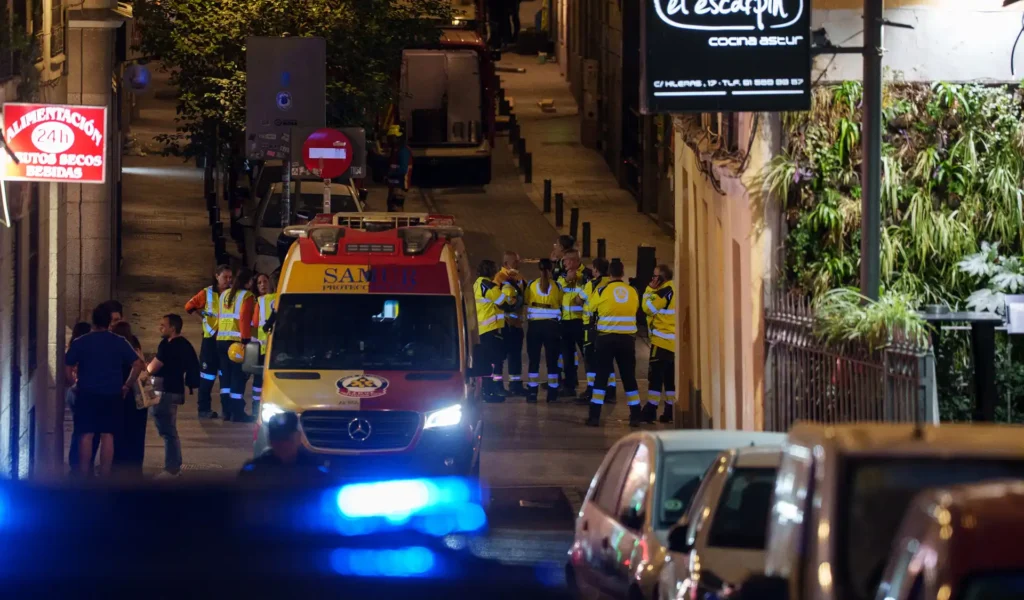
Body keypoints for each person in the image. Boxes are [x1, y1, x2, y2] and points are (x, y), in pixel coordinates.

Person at [64, 304, 146, 476]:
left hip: (87, 394)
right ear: (109, 322)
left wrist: (74, 383)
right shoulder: (119, 342)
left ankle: (84, 473)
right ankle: (105, 473)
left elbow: (68, 365)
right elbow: (137, 363)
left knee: (86, 434)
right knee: (108, 435)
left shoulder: (81, 342)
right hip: (112, 394)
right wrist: (127, 385)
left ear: (93, 322)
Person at [586, 261, 641, 427]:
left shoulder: (602, 290)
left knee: (601, 377)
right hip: (627, 340)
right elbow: (636, 309)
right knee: (629, 377)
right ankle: (635, 415)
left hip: (606, 339)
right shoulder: (632, 291)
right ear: (622, 273)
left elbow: (590, 308)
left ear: (609, 273)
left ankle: (594, 416)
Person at [146, 314, 201, 477]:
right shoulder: (184, 344)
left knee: (168, 431)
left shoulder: (168, 346)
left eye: (163, 325)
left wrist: (145, 368)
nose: (160, 328)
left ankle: (172, 468)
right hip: (175, 391)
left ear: (173, 328)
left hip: (165, 392)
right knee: (169, 430)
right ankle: (174, 467)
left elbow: (152, 368)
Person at [185, 265, 232, 419]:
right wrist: (203, 321)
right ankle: (204, 409)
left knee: (226, 377)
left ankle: (227, 410)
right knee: (207, 377)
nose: (228, 280)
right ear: (217, 276)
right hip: (210, 341)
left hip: (226, 340)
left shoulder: (234, 294)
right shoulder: (207, 293)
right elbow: (189, 307)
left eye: (230, 278)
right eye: (225, 277)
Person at [473, 259, 517, 401]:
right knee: (492, 361)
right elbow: (504, 303)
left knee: (487, 361)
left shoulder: (477, 284)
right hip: (490, 329)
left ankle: (488, 391)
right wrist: (507, 287)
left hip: (481, 329)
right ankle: (489, 392)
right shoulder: (489, 286)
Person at [217, 267, 257, 422]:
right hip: (236, 343)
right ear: (248, 282)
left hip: (221, 341)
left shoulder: (224, 295)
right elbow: (244, 319)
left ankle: (226, 411)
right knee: (237, 378)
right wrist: (246, 340)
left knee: (225, 379)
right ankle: (237, 413)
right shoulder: (247, 295)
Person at [239, 412, 325, 478]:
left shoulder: (314, 469)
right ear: (271, 441)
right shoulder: (255, 471)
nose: (283, 444)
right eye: (277, 439)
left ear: (298, 437)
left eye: (287, 439)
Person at [642, 264, 677, 424]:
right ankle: (669, 410)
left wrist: (648, 290)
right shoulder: (675, 288)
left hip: (661, 343)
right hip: (673, 345)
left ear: (662, 278)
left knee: (655, 377)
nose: (652, 279)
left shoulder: (664, 291)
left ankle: (651, 409)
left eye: (655, 276)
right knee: (670, 379)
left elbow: (648, 308)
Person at [524, 259, 563, 403]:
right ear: (552, 268)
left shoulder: (531, 285)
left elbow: (527, 300)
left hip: (535, 327)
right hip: (552, 327)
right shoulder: (557, 286)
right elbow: (560, 302)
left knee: (533, 360)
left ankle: (532, 392)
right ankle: (552, 393)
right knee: (552, 361)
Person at [112, 321, 147, 474]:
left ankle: (118, 466)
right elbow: (142, 364)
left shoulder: (115, 348)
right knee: (137, 435)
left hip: (120, 395)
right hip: (138, 397)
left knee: (118, 433)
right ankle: (135, 467)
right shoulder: (134, 344)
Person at [67, 322, 98, 473]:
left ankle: (75, 463)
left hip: (74, 391)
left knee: (79, 429)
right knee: (88, 431)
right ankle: (84, 465)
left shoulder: (73, 346)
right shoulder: (83, 347)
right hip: (82, 390)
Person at [556, 249, 587, 398]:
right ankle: (569, 386)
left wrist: (578, 278)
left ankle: (592, 387)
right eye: (563, 261)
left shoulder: (586, 275)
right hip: (566, 322)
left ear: (575, 261)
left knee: (587, 356)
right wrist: (566, 279)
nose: (564, 263)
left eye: (567, 260)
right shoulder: (562, 276)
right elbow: (557, 291)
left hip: (581, 321)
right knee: (567, 356)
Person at [579, 257, 610, 404]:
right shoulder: (611, 283)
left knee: (590, 359)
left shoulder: (591, 284)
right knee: (606, 360)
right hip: (606, 327)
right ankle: (610, 390)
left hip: (591, 326)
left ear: (596, 270)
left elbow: (579, 300)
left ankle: (591, 389)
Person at [498, 251, 526, 396]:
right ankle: (499, 386)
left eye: (518, 261)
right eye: (515, 262)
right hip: (506, 324)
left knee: (515, 356)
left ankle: (515, 384)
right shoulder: (500, 278)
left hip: (516, 324)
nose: (518, 264)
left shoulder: (518, 277)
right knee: (503, 357)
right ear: (506, 263)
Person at [251, 273, 277, 417]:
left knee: (258, 381)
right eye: (259, 282)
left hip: (263, 348)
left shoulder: (260, 302)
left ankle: (256, 410)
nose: (262, 284)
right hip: (275, 348)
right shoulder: (279, 298)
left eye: (264, 281)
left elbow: (255, 323)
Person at [385, 124, 413, 212]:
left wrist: (390, 173)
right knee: (391, 206)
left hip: (400, 185)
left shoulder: (403, 151)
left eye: (392, 137)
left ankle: (399, 225)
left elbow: (403, 170)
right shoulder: (396, 150)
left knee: (396, 208)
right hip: (394, 185)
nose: (390, 140)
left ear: (398, 138)